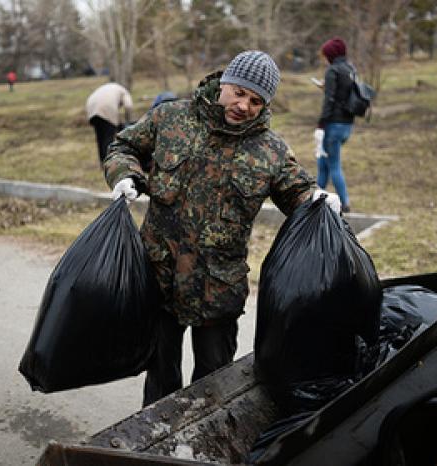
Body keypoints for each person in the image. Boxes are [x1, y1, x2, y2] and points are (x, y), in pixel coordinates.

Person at [104, 50, 341, 407]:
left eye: (256, 101)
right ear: (224, 83)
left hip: (218, 291)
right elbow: (122, 146)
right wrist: (125, 176)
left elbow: (297, 190)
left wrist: (318, 199)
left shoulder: (270, 151)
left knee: (213, 388)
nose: (244, 106)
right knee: (160, 383)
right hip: (159, 278)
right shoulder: (171, 118)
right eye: (239, 92)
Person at [315, 37, 355, 214]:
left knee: (333, 165)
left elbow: (329, 100)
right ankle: (315, 197)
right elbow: (343, 94)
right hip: (347, 125)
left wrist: (321, 124)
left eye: (325, 56)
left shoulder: (332, 71)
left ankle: (345, 203)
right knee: (322, 161)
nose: (324, 59)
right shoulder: (350, 69)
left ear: (330, 55)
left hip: (333, 125)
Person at [85, 82, 134, 165]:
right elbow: (128, 106)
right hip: (106, 107)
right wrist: (128, 121)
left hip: (91, 106)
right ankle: (109, 162)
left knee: (100, 137)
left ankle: (102, 161)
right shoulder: (124, 92)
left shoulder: (112, 87)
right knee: (108, 138)